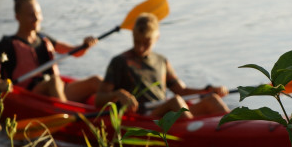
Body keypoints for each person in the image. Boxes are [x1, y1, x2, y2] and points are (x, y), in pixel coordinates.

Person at [95, 12, 229, 118]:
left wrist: (209, 90)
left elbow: (181, 91)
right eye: (137, 42)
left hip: (166, 111)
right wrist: (118, 94)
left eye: (146, 42)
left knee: (212, 100)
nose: (141, 48)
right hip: (145, 116)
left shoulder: (161, 60)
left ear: (157, 37)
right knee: (175, 102)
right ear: (133, 35)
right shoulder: (120, 61)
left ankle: (237, 127)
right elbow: (99, 99)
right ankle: (197, 134)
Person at [0, 0, 101, 103]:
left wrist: (86, 45)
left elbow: (74, 52)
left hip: (56, 89)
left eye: (38, 14)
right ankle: (68, 115)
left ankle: (117, 110)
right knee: (54, 81)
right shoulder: (7, 43)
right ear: (18, 17)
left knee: (96, 80)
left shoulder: (43, 39)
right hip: (30, 94)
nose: (37, 18)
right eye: (31, 15)